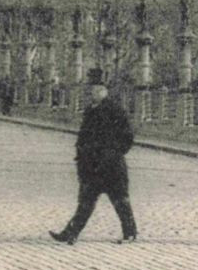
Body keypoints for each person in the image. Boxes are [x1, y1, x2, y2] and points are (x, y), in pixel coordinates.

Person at [50, 68, 138, 244]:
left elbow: (127, 136)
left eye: (96, 90)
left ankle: (130, 233)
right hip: (91, 165)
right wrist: (81, 156)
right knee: (85, 202)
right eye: (91, 90)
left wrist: (114, 153)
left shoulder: (114, 110)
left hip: (111, 166)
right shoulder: (90, 110)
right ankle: (70, 233)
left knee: (120, 201)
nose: (92, 93)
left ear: (104, 91)